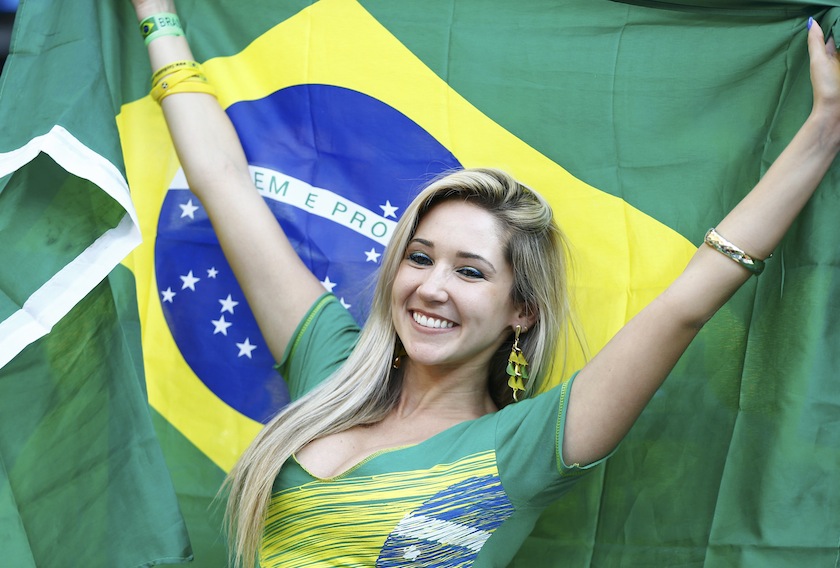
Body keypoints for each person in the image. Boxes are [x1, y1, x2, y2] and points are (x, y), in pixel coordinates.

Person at [130, 2, 840, 566]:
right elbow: (224, 183)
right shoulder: (330, 366)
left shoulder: (525, 448)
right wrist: (156, 13)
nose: (432, 287)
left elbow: (691, 299)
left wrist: (824, 129)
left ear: (522, 311)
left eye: (470, 272)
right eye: (419, 257)